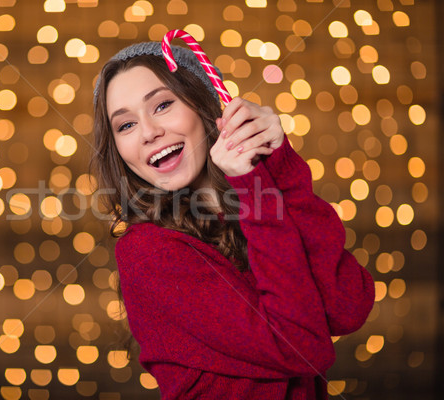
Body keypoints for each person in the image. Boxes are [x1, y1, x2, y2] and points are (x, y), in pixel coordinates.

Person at [90, 41, 375, 400]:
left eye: (162, 105)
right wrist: (258, 189)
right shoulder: (146, 250)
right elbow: (301, 347)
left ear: (206, 105)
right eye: (126, 125)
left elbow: (348, 306)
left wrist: (278, 164)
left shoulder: (251, 206)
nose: (148, 133)